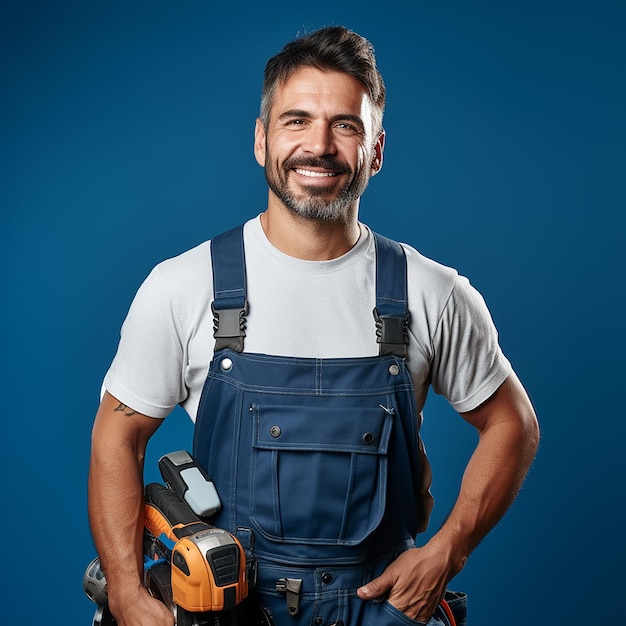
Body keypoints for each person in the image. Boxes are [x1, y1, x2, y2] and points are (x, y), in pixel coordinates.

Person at [88, 26, 539, 626]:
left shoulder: (435, 294)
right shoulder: (183, 286)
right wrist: (124, 588)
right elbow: (116, 437)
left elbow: (513, 424)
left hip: (378, 604)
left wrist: (446, 552)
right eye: (296, 120)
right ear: (261, 139)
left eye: (346, 125)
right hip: (227, 606)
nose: (319, 145)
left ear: (376, 149)